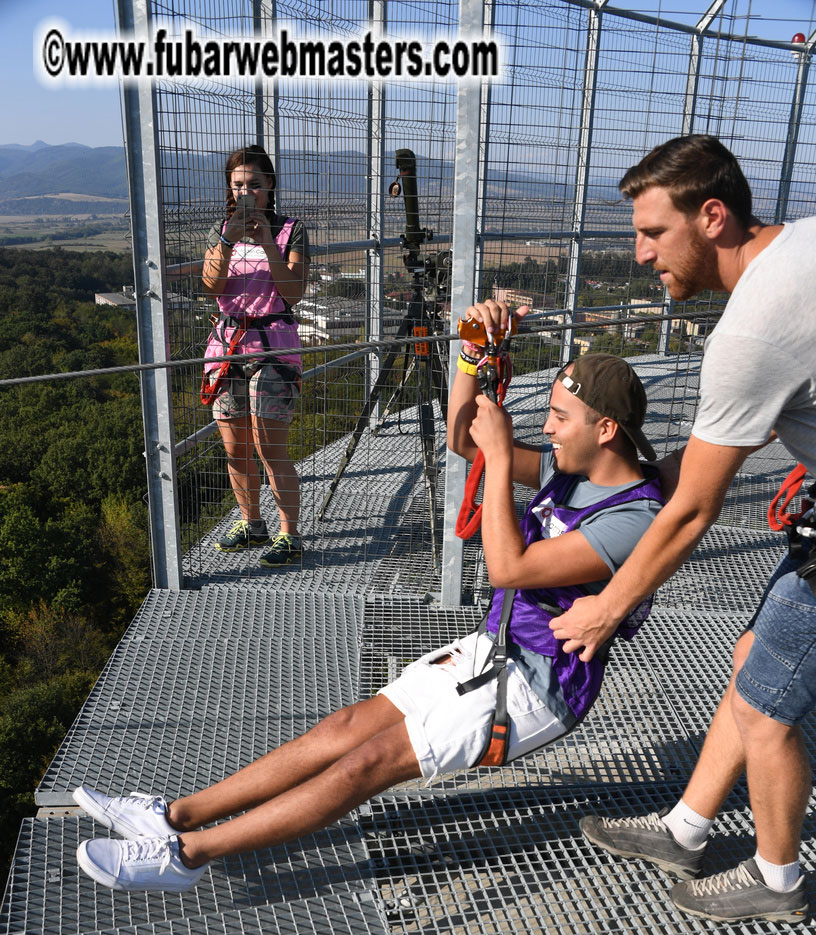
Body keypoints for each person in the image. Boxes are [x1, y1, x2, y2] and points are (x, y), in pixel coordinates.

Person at [73, 304, 663, 894]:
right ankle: (174, 815)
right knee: (344, 728)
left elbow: (510, 567)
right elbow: (463, 439)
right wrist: (470, 354)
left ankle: (186, 856)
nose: (550, 427)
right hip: (495, 648)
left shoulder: (631, 518)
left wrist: (504, 456)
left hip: (539, 685)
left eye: (560, 417)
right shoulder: (572, 468)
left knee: (367, 764)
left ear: (606, 429)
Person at [551, 134, 815, 925]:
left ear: (713, 216)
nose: (639, 255)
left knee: (768, 711)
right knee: (752, 655)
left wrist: (606, 607)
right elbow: (733, 443)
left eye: (653, 233)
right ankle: (687, 829)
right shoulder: (799, 245)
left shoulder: (751, 331)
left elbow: (692, 509)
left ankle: (778, 881)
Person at [202, 144, 310, 567]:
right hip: (227, 347)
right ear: (229, 189)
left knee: (269, 447)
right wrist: (228, 239)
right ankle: (251, 521)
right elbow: (213, 286)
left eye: (254, 185)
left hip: (272, 348)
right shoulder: (221, 231)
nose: (246, 193)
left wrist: (267, 244)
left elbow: (294, 291)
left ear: (270, 187)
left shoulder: (290, 230)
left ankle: (289, 533)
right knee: (235, 446)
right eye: (238, 185)